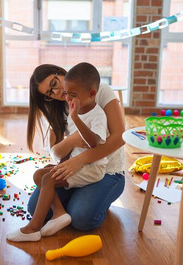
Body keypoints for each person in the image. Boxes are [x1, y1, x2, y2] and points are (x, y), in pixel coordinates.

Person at [7, 62, 108, 242]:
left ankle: (32, 229)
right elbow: (59, 152)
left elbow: (94, 143)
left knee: (51, 183)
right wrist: (68, 147)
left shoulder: (95, 112)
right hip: (79, 164)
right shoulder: (71, 109)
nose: (59, 94)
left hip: (94, 168)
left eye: (54, 85)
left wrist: (76, 121)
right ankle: (60, 213)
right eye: (49, 94)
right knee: (40, 175)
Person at [25, 63, 126, 233]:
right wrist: (71, 141)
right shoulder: (60, 108)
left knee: (82, 219)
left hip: (106, 171)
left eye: (54, 84)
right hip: (77, 171)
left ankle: (93, 201)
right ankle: (64, 210)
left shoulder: (98, 91)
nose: (56, 92)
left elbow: (119, 137)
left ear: (60, 72)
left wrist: (80, 160)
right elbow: (56, 154)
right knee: (35, 209)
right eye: (49, 93)